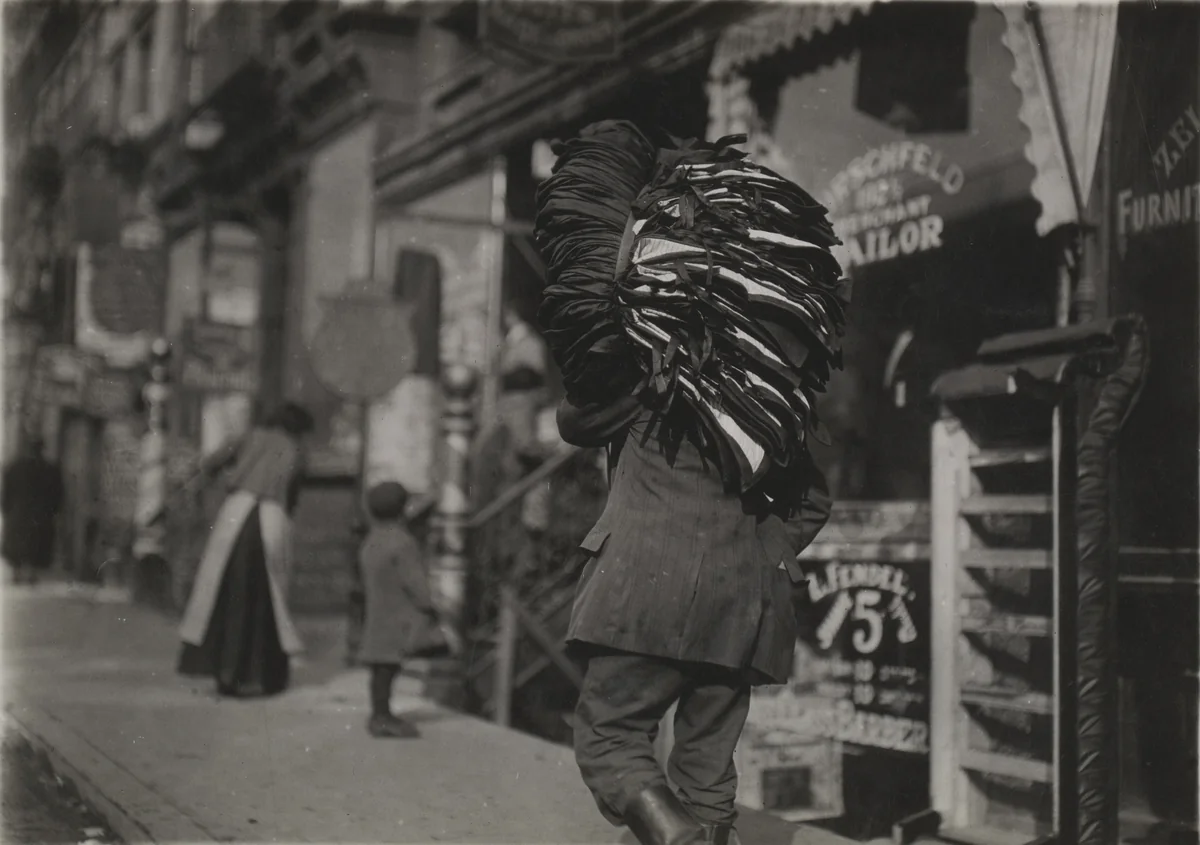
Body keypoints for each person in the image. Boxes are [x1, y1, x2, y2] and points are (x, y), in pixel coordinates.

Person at [535, 122, 847, 844]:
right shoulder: (767, 408)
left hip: (646, 585)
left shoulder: (644, 387)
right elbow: (814, 500)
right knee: (708, 767)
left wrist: (629, 366)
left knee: (612, 740)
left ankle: (671, 833)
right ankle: (694, 830)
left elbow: (572, 422)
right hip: (744, 600)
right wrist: (760, 546)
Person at [176, 402, 313, 697]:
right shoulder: (297, 449)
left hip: (236, 512)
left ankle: (224, 671)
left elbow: (212, 462)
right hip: (272, 516)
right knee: (269, 596)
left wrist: (206, 480)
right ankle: (264, 676)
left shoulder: (250, 436)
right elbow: (293, 492)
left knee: (222, 590)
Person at [357, 481, 442, 738]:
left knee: (380, 669)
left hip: (376, 613)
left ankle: (380, 713)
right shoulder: (403, 542)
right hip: (397, 617)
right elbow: (414, 581)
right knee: (387, 668)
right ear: (402, 509)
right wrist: (430, 604)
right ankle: (381, 717)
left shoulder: (372, 540)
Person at [2, 434, 63, 585]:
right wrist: (53, 512)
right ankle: (31, 573)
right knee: (35, 544)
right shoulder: (50, 469)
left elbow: (5, 493)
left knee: (17, 544)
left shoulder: (14, 467)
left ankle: (16, 573)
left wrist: (6, 509)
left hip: (18, 514)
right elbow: (58, 495)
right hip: (40, 516)